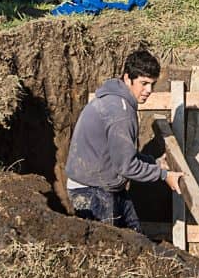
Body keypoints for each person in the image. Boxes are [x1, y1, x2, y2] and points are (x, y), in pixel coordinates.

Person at [65, 50, 185, 232]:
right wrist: (164, 176)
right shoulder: (120, 112)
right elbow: (126, 166)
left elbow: (121, 154)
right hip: (92, 191)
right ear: (128, 78)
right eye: (143, 83)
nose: (149, 91)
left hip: (106, 185)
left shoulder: (116, 101)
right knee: (108, 251)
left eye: (152, 84)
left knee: (136, 239)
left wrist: (155, 163)